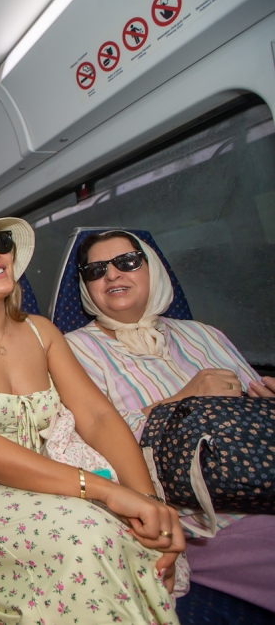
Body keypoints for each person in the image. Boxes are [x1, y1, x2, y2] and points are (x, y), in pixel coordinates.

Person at [0, 208, 185, 625]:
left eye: (0, 244)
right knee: (90, 533)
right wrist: (103, 491)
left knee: (131, 533)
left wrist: (147, 500)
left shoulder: (42, 332)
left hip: (32, 481)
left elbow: (97, 416)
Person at [64, 229, 275, 613]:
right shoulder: (72, 349)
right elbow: (89, 442)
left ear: (153, 270)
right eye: (96, 270)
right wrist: (182, 399)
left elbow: (253, 412)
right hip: (199, 517)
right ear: (86, 286)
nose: (112, 275)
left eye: (127, 262)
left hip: (264, 480)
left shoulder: (204, 335)